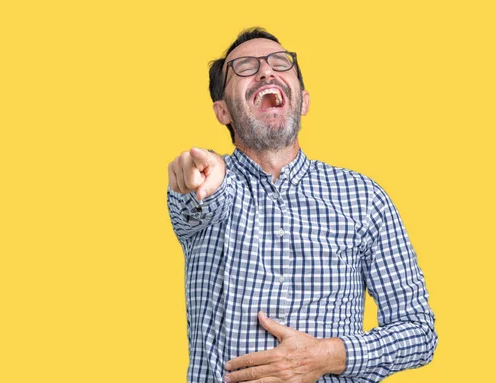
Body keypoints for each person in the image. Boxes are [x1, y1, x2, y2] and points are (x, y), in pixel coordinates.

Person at [166, 27, 437, 383]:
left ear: (303, 101)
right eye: (245, 67)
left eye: (280, 63)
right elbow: (194, 201)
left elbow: (419, 333)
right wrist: (202, 172)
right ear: (223, 111)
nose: (265, 71)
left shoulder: (364, 198)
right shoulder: (209, 184)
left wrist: (326, 356)